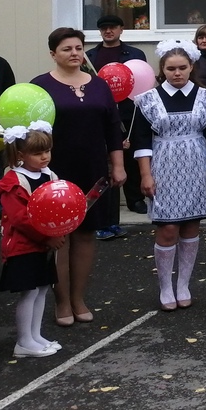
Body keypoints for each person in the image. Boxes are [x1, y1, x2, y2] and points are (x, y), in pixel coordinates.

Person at [31, 27, 126, 326]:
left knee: (86, 234)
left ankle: (78, 298)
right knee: (60, 238)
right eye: (66, 49)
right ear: (53, 54)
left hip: (93, 170)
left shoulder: (99, 86)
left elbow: (112, 129)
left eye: (78, 48)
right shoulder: (40, 86)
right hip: (55, 171)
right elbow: (31, 135)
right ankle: (61, 302)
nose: (74, 53)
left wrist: (118, 165)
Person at [132, 40, 206, 311]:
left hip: (196, 164)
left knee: (191, 226)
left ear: (191, 67)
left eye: (182, 68)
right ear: (162, 69)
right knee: (167, 228)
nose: (177, 73)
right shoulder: (148, 100)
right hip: (163, 165)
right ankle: (166, 286)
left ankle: (184, 284)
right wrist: (146, 175)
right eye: (170, 69)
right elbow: (141, 140)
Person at [0, 123, 66, 358]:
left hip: (44, 244)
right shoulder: (13, 181)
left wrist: (60, 229)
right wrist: (47, 237)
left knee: (42, 289)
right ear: (20, 155)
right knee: (30, 291)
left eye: (47, 151)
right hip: (23, 246)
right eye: (37, 153)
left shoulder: (49, 175)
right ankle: (24, 340)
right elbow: (20, 219)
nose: (45, 157)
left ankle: (35, 335)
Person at [86, 13, 147, 235]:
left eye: (112, 27)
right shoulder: (90, 56)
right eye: (104, 28)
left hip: (129, 111)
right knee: (106, 159)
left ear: (121, 29)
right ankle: (104, 208)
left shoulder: (135, 54)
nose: (108, 31)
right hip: (100, 112)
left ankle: (135, 199)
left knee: (130, 156)